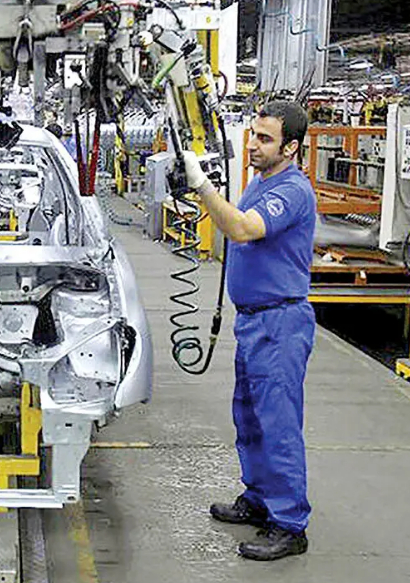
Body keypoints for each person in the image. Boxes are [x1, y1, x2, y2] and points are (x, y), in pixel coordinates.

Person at [181, 100, 316, 562]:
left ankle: (289, 524)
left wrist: (202, 186)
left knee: (278, 424)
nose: (253, 144)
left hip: (280, 323)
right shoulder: (260, 181)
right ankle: (259, 498)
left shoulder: (292, 191)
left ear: (291, 147)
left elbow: (240, 229)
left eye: (264, 138)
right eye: (253, 134)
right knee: (251, 417)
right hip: (254, 320)